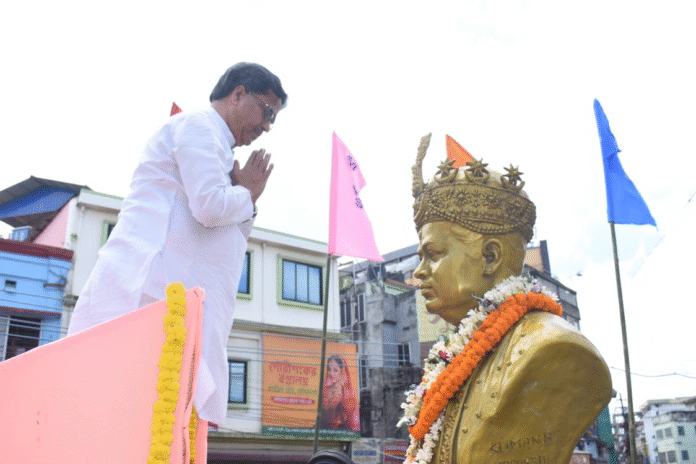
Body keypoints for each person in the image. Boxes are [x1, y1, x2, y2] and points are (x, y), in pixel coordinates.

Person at [67, 63, 287, 436]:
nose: (267, 126)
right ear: (238, 94)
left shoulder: (217, 145)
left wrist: (243, 195)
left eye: (273, 120)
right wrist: (247, 192)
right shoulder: (199, 126)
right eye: (267, 112)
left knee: (149, 422)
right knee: (113, 416)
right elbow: (210, 206)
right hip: (144, 289)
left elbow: (226, 226)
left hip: (168, 299)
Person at [400, 134, 612, 464]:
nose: (419, 272)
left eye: (434, 254)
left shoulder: (552, 347)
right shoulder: (457, 356)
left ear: (491, 256)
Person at [321, 355, 360, 431]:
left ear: (342, 371)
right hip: (324, 432)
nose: (331, 374)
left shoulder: (347, 393)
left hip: (341, 432)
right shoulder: (326, 390)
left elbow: (351, 419)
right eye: (329, 369)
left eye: (335, 370)